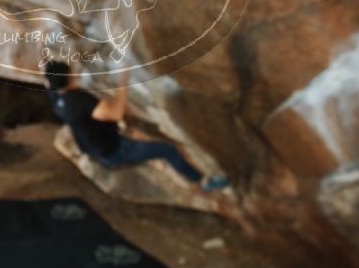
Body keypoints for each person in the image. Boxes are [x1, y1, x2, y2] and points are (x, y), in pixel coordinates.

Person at [44, 61, 229, 192]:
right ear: (69, 76)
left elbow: (47, 80)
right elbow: (115, 114)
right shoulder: (79, 101)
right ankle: (203, 181)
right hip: (115, 150)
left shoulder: (56, 98)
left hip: (98, 146)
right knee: (168, 150)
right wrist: (122, 84)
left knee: (142, 138)